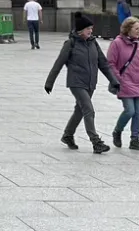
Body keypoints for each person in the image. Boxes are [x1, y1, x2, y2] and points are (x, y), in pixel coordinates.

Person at [44, 12, 120, 153]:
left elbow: (103, 64)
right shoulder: (70, 44)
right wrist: (49, 82)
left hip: (91, 83)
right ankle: (96, 141)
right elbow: (58, 64)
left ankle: (67, 135)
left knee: (79, 111)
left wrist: (114, 81)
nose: (90, 31)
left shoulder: (93, 43)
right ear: (80, 31)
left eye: (91, 28)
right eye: (87, 29)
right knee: (88, 110)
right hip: (76, 83)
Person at [107, 17, 139, 151]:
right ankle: (117, 131)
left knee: (138, 113)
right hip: (125, 83)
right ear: (128, 29)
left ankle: (134, 139)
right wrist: (119, 79)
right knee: (129, 111)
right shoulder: (117, 43)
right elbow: (111, 63)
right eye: (136, 29)